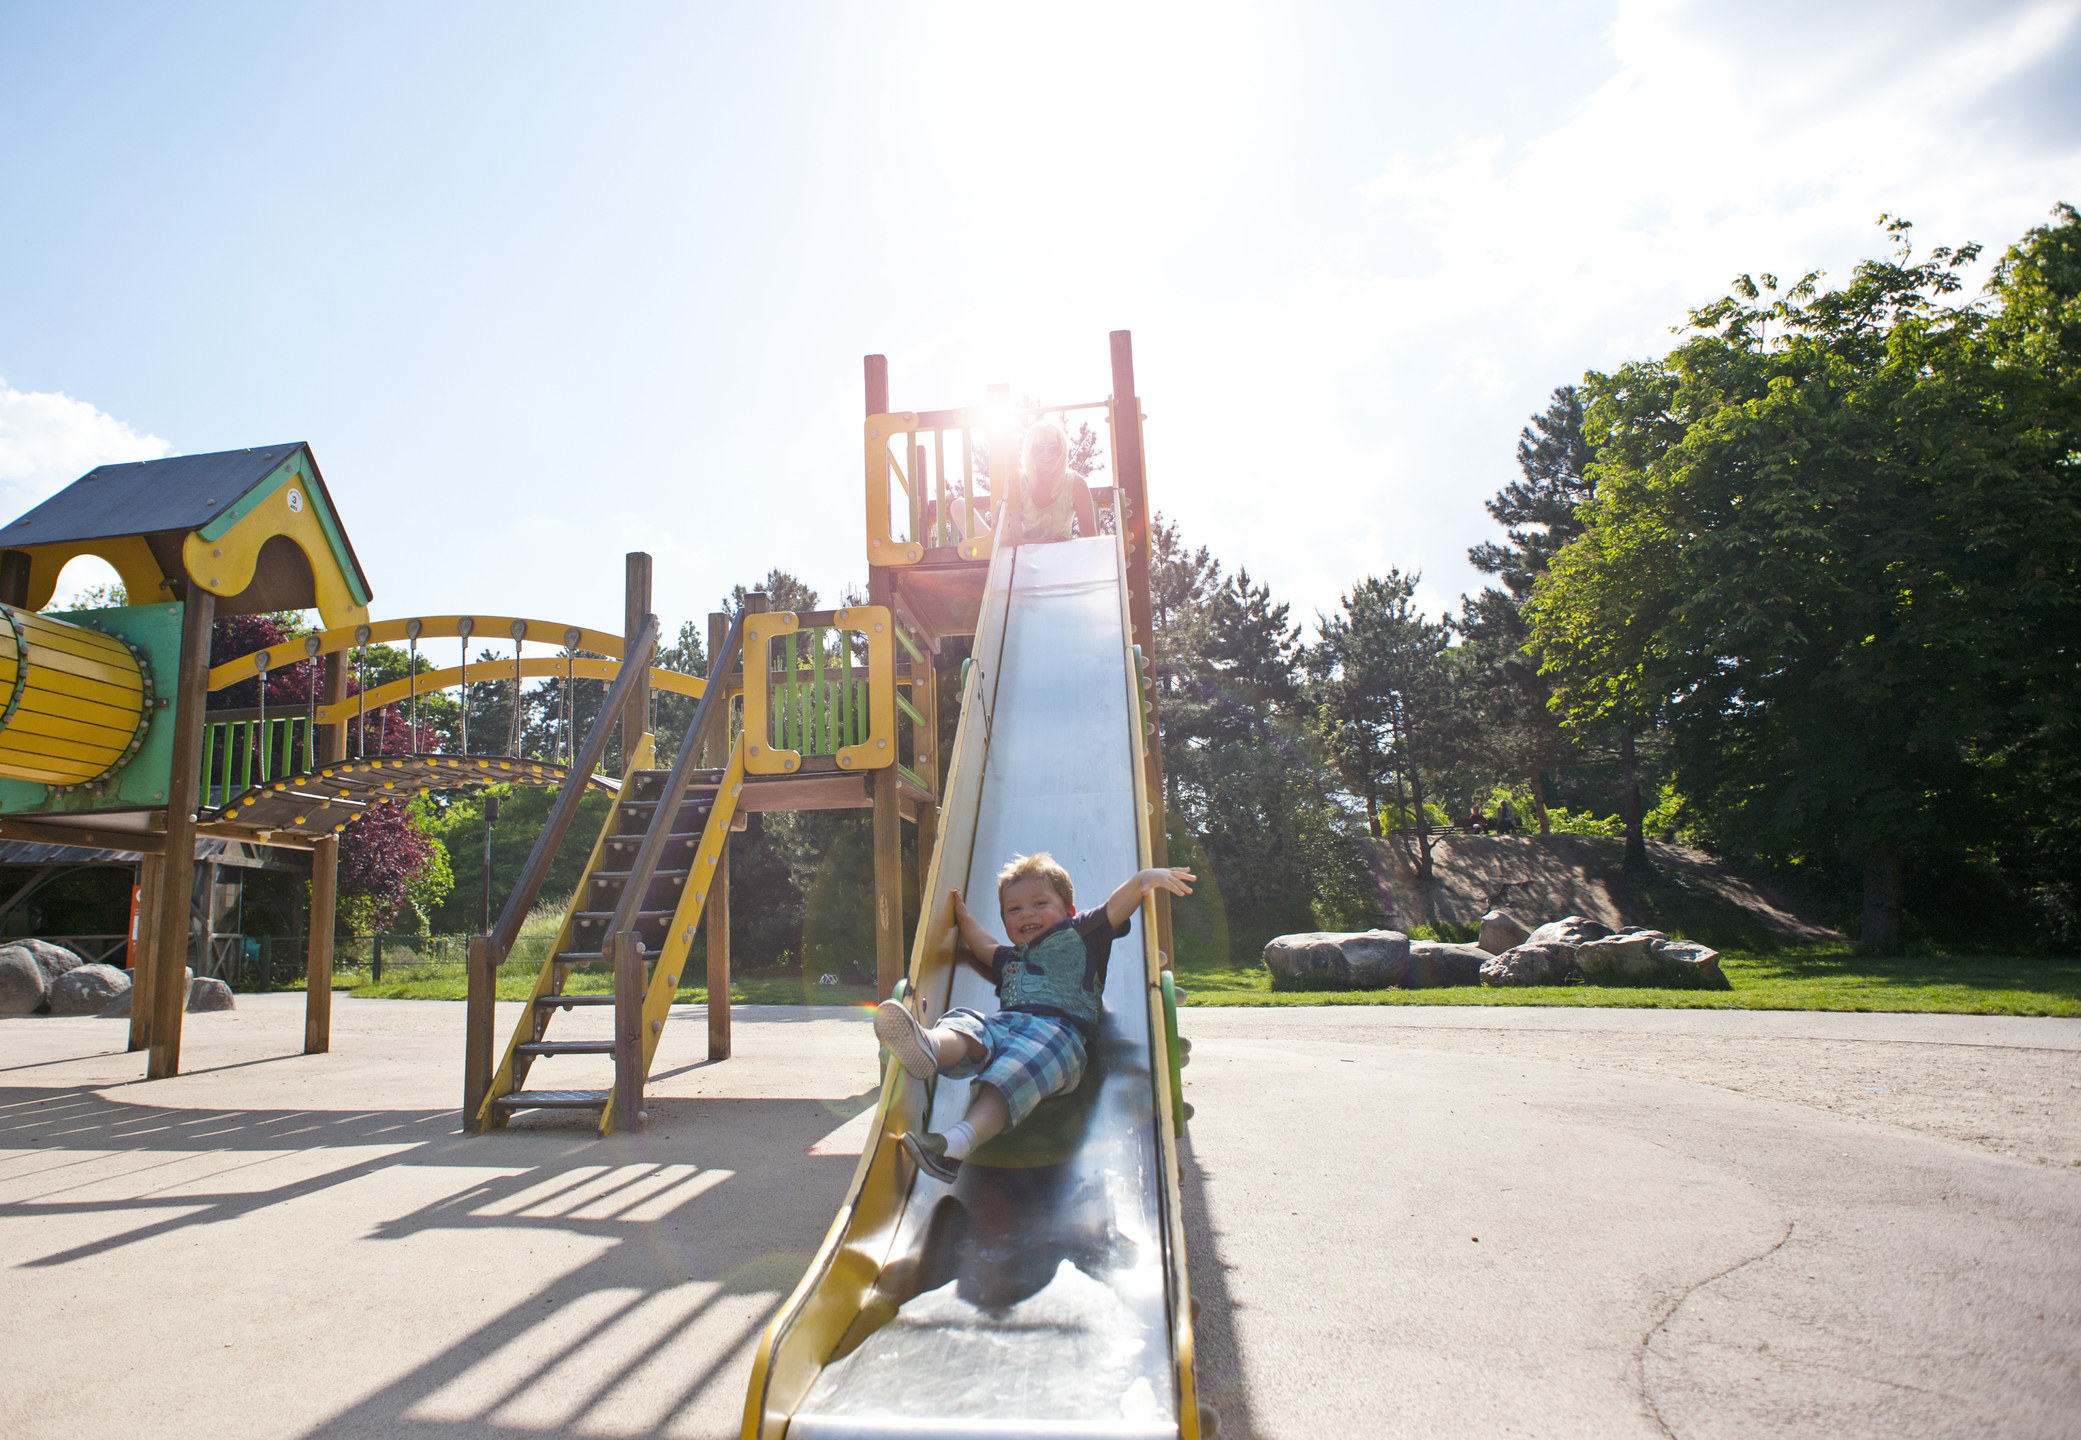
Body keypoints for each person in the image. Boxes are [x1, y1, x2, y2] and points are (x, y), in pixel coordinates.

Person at [873, 852, 1196, 1182]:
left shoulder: (1080, 934)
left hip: (1060, 1036)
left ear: (1068, 910)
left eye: (1039, 903)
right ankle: (929, 1045)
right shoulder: (1011, 958)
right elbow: (984, 947)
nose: (1026, 914)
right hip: (1007, 1025)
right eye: (1014, 910)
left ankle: (951, 1147)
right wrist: (962, 917)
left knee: (1010, 1074)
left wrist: (1145, 878)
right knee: (967, 1022)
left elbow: (1116, 906)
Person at [1015, 419, 1099, 544]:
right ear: (1029, 450)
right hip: (1022, 558)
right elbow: (1008, 540)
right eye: (1038, 448)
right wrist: (1044, 542)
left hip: (1062, 556)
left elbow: (1091, 539)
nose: (1046, 454)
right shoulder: (1018, 483)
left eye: (1053, 448)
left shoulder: (1076, 484)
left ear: (1062, 451)